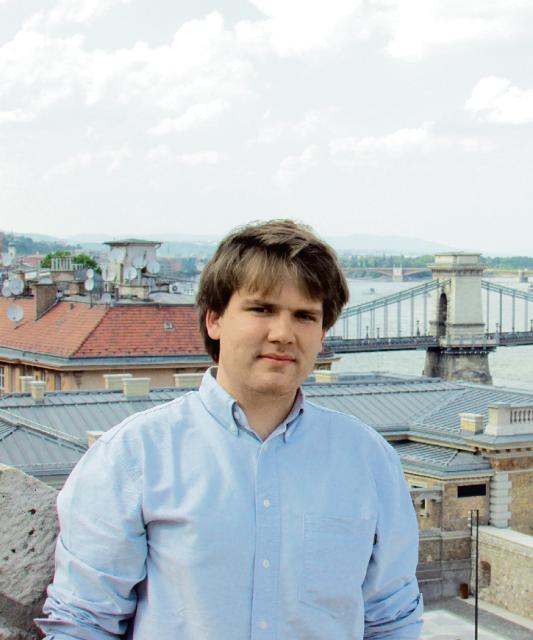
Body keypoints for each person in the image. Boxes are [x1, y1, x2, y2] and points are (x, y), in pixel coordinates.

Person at [37, 219, 423, 639]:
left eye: (304, 316)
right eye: (262, 309)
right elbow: (83, 623)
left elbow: (392, 620)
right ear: (214, 320)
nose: (283, 334)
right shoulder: (133, 456)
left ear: (322, 334)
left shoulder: (369, 461)